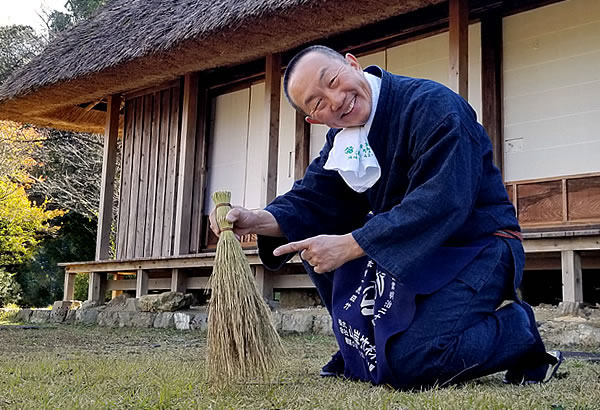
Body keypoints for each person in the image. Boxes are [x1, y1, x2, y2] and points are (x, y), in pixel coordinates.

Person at [209, 45, 562, 390]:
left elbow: (442, 201)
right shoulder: (345, 140)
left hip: (479, 245)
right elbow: (316, 197)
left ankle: (518, 331)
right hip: (417, 252)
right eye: (318, 103)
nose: (335, 101)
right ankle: (363, 346)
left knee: (413, 360)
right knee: (315, 240)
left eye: (332, 80)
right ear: (313, 119)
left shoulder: (432, 106)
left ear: (352, 63)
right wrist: (255, 219)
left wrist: (352, 244)